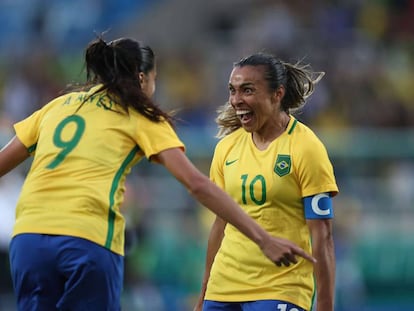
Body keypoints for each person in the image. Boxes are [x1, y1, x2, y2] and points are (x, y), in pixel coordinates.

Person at [0, 37, 316, 311]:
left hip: (28, 240)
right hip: (86, 238)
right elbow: (196, 184)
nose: (154, 87)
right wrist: (262, 237)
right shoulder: (140, 115)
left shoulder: (59, 106)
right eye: (155, 79)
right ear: (141, 78)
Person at [194, 53, 339, 311]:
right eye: (233, 90)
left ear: (277, 94)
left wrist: (325, 306)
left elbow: (323, 235)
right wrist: (204, 294)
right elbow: (219, 225)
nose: (236, 100)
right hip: (223, 288)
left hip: (281, 287)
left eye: (247, 90)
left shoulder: (306, 148)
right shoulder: (227, 148)